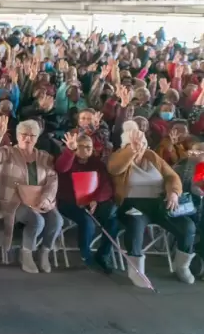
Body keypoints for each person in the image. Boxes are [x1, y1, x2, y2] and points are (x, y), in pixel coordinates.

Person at [108, 122, 195, 285]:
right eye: (133, 144)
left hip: (159, 203)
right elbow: (114, 169)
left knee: (187, 226)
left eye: (141, 143)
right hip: (131, 204)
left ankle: (182, 266)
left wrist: (174, 193)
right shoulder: (119, 156)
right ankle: (136, 270)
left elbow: (172, 176)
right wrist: (131, 151)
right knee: (135, 226)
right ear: (125, 145)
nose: (139, 147)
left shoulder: (152, 156)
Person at [0, 116, 60, 274]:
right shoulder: (8, 152)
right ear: (17, 136)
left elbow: (53, 179)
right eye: (24, 134)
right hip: (13, 202)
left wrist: (46, 198)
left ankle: (44, 252)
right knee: (37, 221)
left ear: (37, 138)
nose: (27, 138)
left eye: (32, 135)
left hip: (39, 200)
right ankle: (26, 253)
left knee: (56, 220)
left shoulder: (44, 156)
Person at [54, 132, 117, 272]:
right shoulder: (68, 159)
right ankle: (86, 256)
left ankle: (103, 254)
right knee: (86, 220)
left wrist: (96, 199)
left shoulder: (97, 163)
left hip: (93, 202)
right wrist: (69, 151)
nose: (85, 150)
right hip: (69, 202)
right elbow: (61, 168)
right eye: (80, 146)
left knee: (113, 220)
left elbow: (106, 186)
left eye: (88, 147)